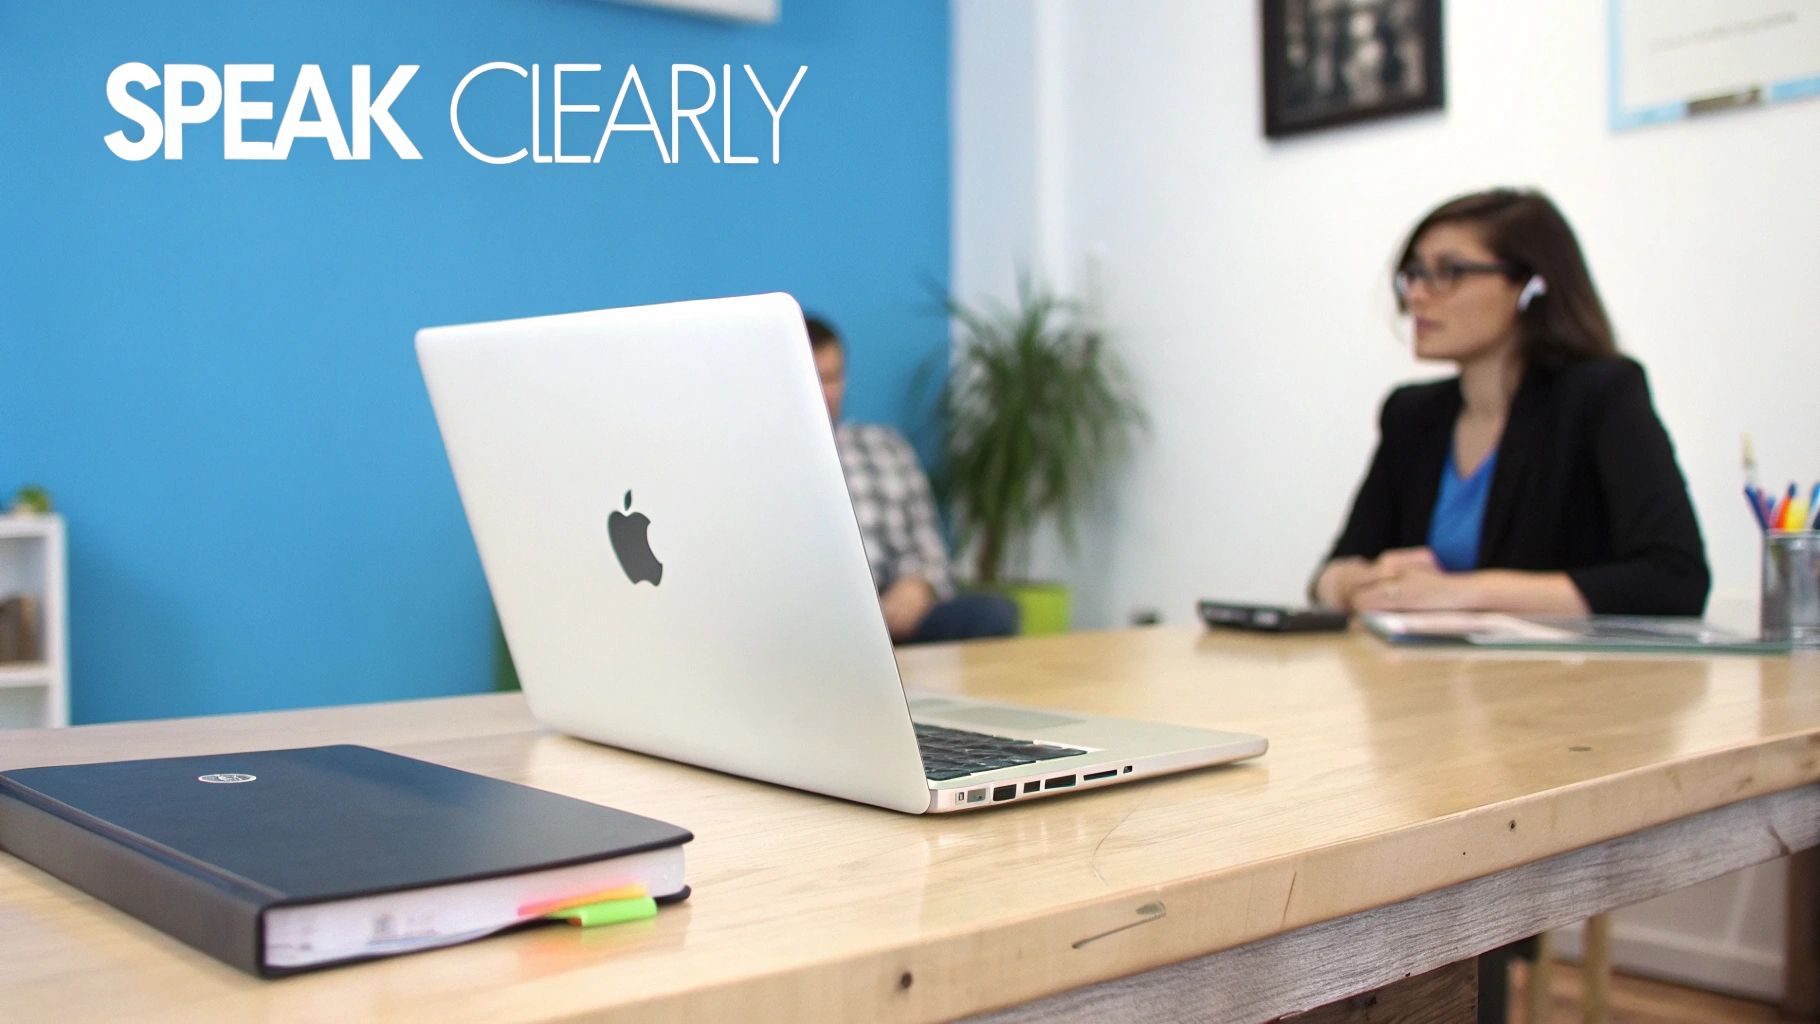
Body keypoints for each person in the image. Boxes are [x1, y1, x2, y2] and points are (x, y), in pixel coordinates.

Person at [1312, 188, 1710, 616]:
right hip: (1424, 678)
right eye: (1414, 273)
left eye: (1450, 271)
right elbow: (1330, 573)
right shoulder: (1410, 415)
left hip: (1564, 680)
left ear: (1530, 288)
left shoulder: (1600, 395)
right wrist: (1357, 584)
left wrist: (1465, 593)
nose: (1417, 296)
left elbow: (1676, 578)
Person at [806, 315, 1020, 644]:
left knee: (993, 612)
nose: (826, 392)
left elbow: (929, 551)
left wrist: (918, 584)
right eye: (813, 378)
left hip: (890, 622)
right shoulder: (754, 458)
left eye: (832, 378)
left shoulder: (885, 446)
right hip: (809, 626)